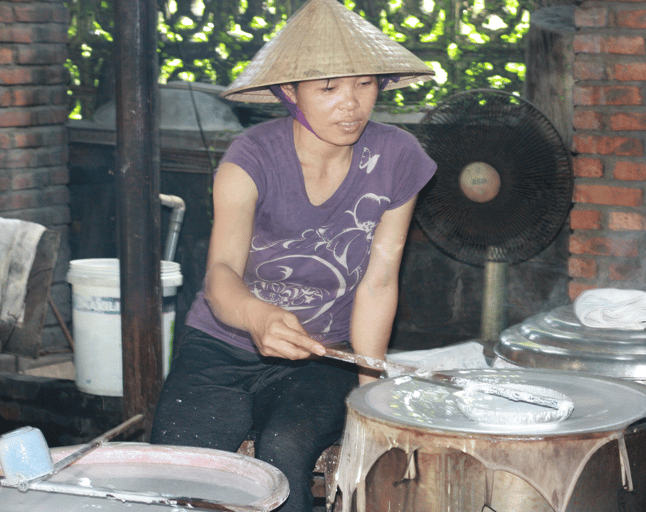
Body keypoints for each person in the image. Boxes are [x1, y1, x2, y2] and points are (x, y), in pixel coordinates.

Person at [150, 0, 436, 510]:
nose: (351, 103)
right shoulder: (251, 157)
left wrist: (370, 387)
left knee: (287, 450)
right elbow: (221, 274)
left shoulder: (397, 158)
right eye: (329, 87)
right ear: (290, 92)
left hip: (323, 354)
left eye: (364, 84)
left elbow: (378, 281)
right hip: (220, 346)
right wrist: (256, 315)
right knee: (180, 474)